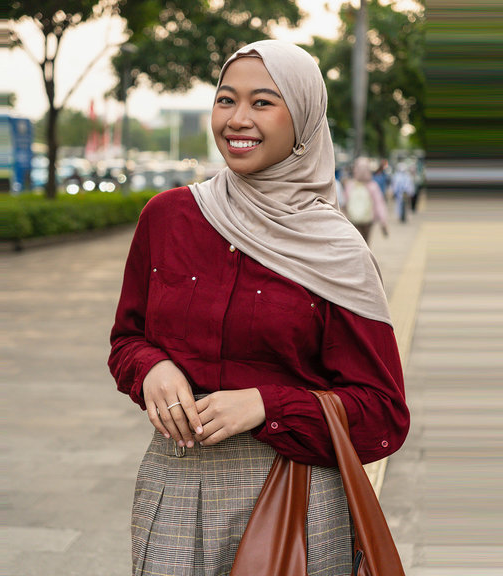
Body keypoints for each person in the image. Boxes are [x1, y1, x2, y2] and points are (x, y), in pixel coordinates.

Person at [108, 40, 409, 576]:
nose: (237, 119)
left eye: (263, 102)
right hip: (172, 493)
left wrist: (267, 405)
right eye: (226, 100)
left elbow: (382, 412)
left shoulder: (338, 251)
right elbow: (127, 339)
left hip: (294, 499)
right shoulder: (169, 217)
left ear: (305, 121)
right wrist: (150, 368)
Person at [339, 156, 389, 241]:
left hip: (352, 220)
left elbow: (344, 203)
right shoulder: (373, 186)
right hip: (368, 221)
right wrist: (383, 222)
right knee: (365, 242)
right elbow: (379, 204)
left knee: (356, 242)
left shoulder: (350, 185)